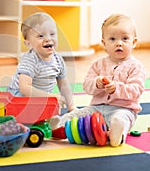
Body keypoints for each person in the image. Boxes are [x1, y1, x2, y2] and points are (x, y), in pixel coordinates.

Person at [50, 13, 146, 147]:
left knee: (121, 120)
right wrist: (96, 83)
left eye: (125, 39)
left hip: (124, 109)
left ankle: (116, 134)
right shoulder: (98, 65)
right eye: (112, 39)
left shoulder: (136, 66)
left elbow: (136, 90)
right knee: (77, 114)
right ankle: (58, 126)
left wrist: (117, 88)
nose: (119, 43)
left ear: (134, 42)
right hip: (96, 108)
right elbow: (87, 86)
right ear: (104, 43)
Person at [7, 12, 76, 112]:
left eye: (52, 34)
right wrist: (49, 96)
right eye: (40, 36)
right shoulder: (30, 60)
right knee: (37, 110)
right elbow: (24, 88)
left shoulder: (58, 59)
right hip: (18, 96)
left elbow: (64, 85)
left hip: (41, 96)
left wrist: (71, 106)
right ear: (29, 44)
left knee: (51, 108)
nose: (48, 39)